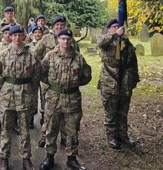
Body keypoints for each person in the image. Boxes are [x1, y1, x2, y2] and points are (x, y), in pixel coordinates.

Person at [39, 28, 91, 170]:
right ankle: (49, 157)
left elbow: (87, 76)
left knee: (72, 131)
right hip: (54, 99)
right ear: (58, 39)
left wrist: (72, 85)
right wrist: (53, 86)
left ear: (71, 40)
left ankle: (72, 159)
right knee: (51, 129)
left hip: (72, 99)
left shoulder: (79, 58)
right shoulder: (50, 56)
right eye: (63, 38)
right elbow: (41, 73)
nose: (66, 41)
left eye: (68, 39)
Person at [0, 25, 40, 170]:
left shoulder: (32, 55)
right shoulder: (3, 54)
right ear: (10, 37)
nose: (18, 38)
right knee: (6, 129)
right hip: (8, 96)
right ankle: (3, 158)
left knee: (25, 131)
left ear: (24, 36)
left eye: (20, 35)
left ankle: (26, 158)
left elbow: (36, 76)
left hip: (25, 95)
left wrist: (31, 93)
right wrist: (2, 91)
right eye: (14, 35)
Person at [36, 16, 79, 148]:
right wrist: (44, 74)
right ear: (53, 26)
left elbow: (77, 61)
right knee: (48, 110)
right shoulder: (46, 38)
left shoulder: (72, 41)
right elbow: (36, 53)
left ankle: (65, 136)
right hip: (49, 81)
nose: (59, 27)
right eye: (57, 24)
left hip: (66, 81)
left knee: (66, 109)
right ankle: (45, 135)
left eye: (62, 25)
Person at [97, 19, 139, 149]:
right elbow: (100, 43)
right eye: (114, 27)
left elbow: (132, 62)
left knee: (123, 110)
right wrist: (115, 35)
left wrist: (133, 80)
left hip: (124, 82)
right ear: (109, 29)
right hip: (110, 81)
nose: (116, 28)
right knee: (111, 110)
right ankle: (112, 136)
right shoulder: (107, 41)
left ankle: (123, 135)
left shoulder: (126, 42)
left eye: (118, 26)